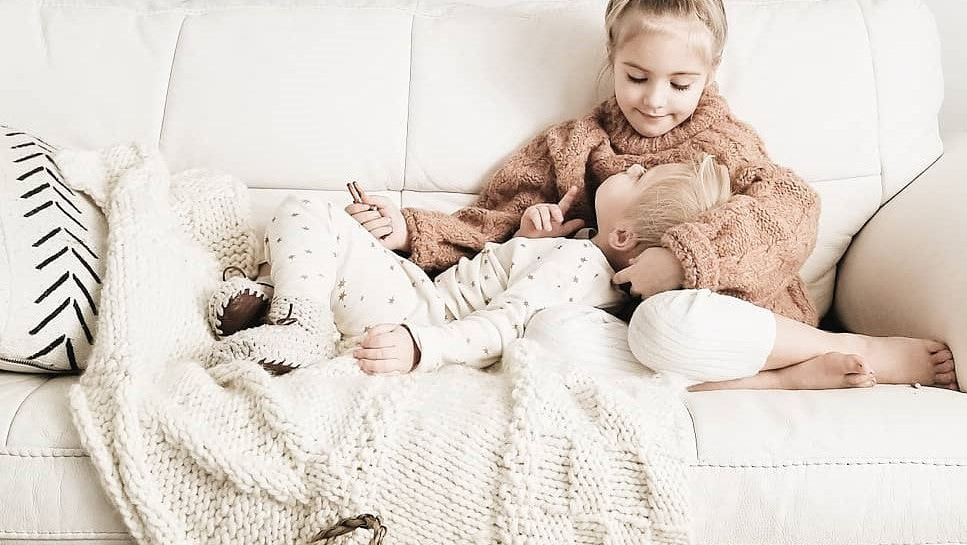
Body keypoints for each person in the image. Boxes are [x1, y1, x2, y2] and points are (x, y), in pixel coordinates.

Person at [347, 0, 959, 392]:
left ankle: (832, 351)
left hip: (719, 323)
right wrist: (413, 231)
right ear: (612, 58)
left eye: (679, 83)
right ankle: (769, 385)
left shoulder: (723, 143)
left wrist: (684, 258)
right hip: (622, 336)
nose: (655, 100)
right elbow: (496, 223)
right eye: (637, 77)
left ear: (711, 72)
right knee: (554, 338)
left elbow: (791, 208)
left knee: (668, 321)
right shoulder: (575, 143)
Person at [207, 154, 733, 376]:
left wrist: (423, 348)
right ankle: (275, 302)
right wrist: (526, 241)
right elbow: (503, 282)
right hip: (419, 297)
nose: (631, 166)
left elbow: (504, 325)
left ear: (622, 235)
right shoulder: (579, 253)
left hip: (420, 314)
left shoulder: (580, 265)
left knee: (306, 210)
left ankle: (298, 324)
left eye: (638, 178)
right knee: (323, 238)